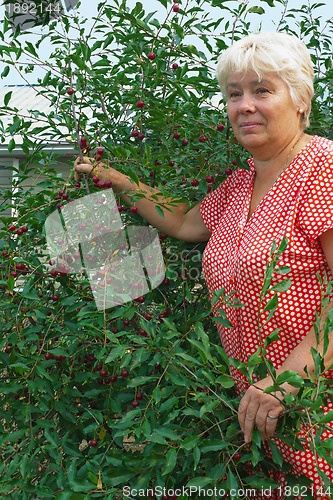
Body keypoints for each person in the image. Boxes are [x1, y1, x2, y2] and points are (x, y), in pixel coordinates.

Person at [74, 32, 333, 499]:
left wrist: (287, 379)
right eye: (234, 95)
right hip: (259, 413)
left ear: (299, 100)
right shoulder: (239, 185)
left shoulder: (324, 170)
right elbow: (184, 223)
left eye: (262, 90)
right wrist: (113, 180)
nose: (245, 106)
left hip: (317, 407)